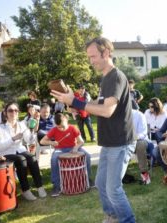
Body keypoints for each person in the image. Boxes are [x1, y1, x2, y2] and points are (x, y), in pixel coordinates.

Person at [51, 37, 136, 223]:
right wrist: (77, 104)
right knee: (100, 183)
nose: (91, 61)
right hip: (109, 142)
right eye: (89, 57)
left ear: (106, 53)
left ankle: (127, 220)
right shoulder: (106, 78)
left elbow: (107, 110)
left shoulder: (116, 76)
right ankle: (112, 216)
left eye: (93, 56)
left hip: (120, 142)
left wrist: (74, 101)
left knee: (113, 189)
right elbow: (99, 103)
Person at [0, 102, 46, 201]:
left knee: (31, 157)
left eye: (15, 110)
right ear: (5, 113)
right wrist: (13, 139)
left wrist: (33, 130)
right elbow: (0, 147)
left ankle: (40, 186)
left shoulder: (21, 125)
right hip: (5, 153)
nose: (13, 112)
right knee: (21, 159)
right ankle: (25, 189)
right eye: (10, 110)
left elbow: (29, 141)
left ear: (18, 112)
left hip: (19, 150)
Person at [40, 113, 93, 197]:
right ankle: (56, 185)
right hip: (59, 149)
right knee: (54, 160)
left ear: (66, 120)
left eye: (62, 126)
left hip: (74, 147)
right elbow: (42, 141)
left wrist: (76, 147)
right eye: (58, 127)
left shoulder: (72, 128)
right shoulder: (54, 130)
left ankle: (88, 179)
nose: (60, 128)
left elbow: (81, 141)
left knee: (88, 156)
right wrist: (51, 142)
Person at [131, 108, 154, 185]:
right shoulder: (116, 114)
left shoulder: (139, 115)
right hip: (124, 141)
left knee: (140, 145)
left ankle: (144, 174)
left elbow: (143, 133)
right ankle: (117, 176)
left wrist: (133, 138)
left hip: (140, 140)